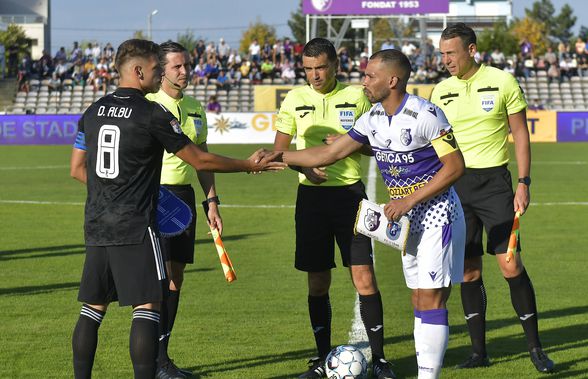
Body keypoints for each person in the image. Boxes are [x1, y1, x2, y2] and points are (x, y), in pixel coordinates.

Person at [69, 39, 284, 379]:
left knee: (92, 309)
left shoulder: (92, 111)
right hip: (137, 226)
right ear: (138, 71)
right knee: (148, 306)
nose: (159, 76)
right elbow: (198, 158)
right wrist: (247, 165)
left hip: (97, 224)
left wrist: (113, 195)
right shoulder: (153, 113)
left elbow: (77, 169)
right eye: (156, 70)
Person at [279, 48, 466, 379]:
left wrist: (408, 201)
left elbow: (455, 167)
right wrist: (278, 156)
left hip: (437, 215)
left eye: (370, 76)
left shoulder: (426, 114)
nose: (364, 81)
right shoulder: (373, 118)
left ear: (392, 80)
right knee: (420, 300)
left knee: (432, 298)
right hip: (407, 221)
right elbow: (330, 152)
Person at [430, 23, 555, 373]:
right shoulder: (439, 91)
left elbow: (519, 133)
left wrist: (524, 181)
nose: (446, 60)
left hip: (495, 184)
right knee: (468, 272)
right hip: (454, 187)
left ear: (471, 50)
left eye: (451, 53)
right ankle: (478, 353)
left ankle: (536, 349)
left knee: (509, 264)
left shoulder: (502, 81)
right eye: (442, 54)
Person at [273, 38, 395, 379]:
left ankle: (381, 360)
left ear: (335, 66)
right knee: (317, 282)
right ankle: (321, 358)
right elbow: (279, 151)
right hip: (311, 200)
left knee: (364, 278)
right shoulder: (294, 99)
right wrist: (305, 168)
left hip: (350, 199)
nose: (314, 75)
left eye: (321, 67)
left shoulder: (357, 96)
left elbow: (376, 145)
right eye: (308, 69)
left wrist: (347, 146)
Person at [144, 41, 219, 379]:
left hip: (184, 198)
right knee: (156, 282)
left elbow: (203, 160)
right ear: (162, 70)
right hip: (152, 198)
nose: (185, 71)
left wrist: (212, 201)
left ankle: (163, 358)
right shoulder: (148, 106)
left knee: (176, 279)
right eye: (177, 66)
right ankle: (154, 361)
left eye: (187, 65)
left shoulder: (195, 108)